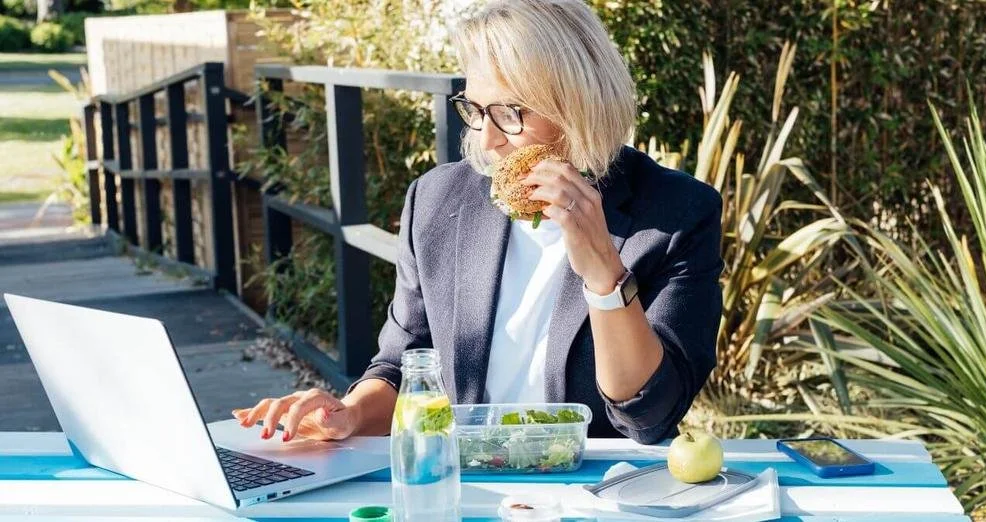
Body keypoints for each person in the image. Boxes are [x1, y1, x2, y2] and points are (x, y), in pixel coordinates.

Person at [233, 0, 724, 445]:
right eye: (475, 109)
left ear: (579, 103)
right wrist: (350, 414)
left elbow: (650, 417)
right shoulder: (437, 200)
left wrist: (603, 273)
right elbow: (404, 366)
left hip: (592, 489)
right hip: (468, 480)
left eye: (510, 112)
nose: (487, 141)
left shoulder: (677, 215)